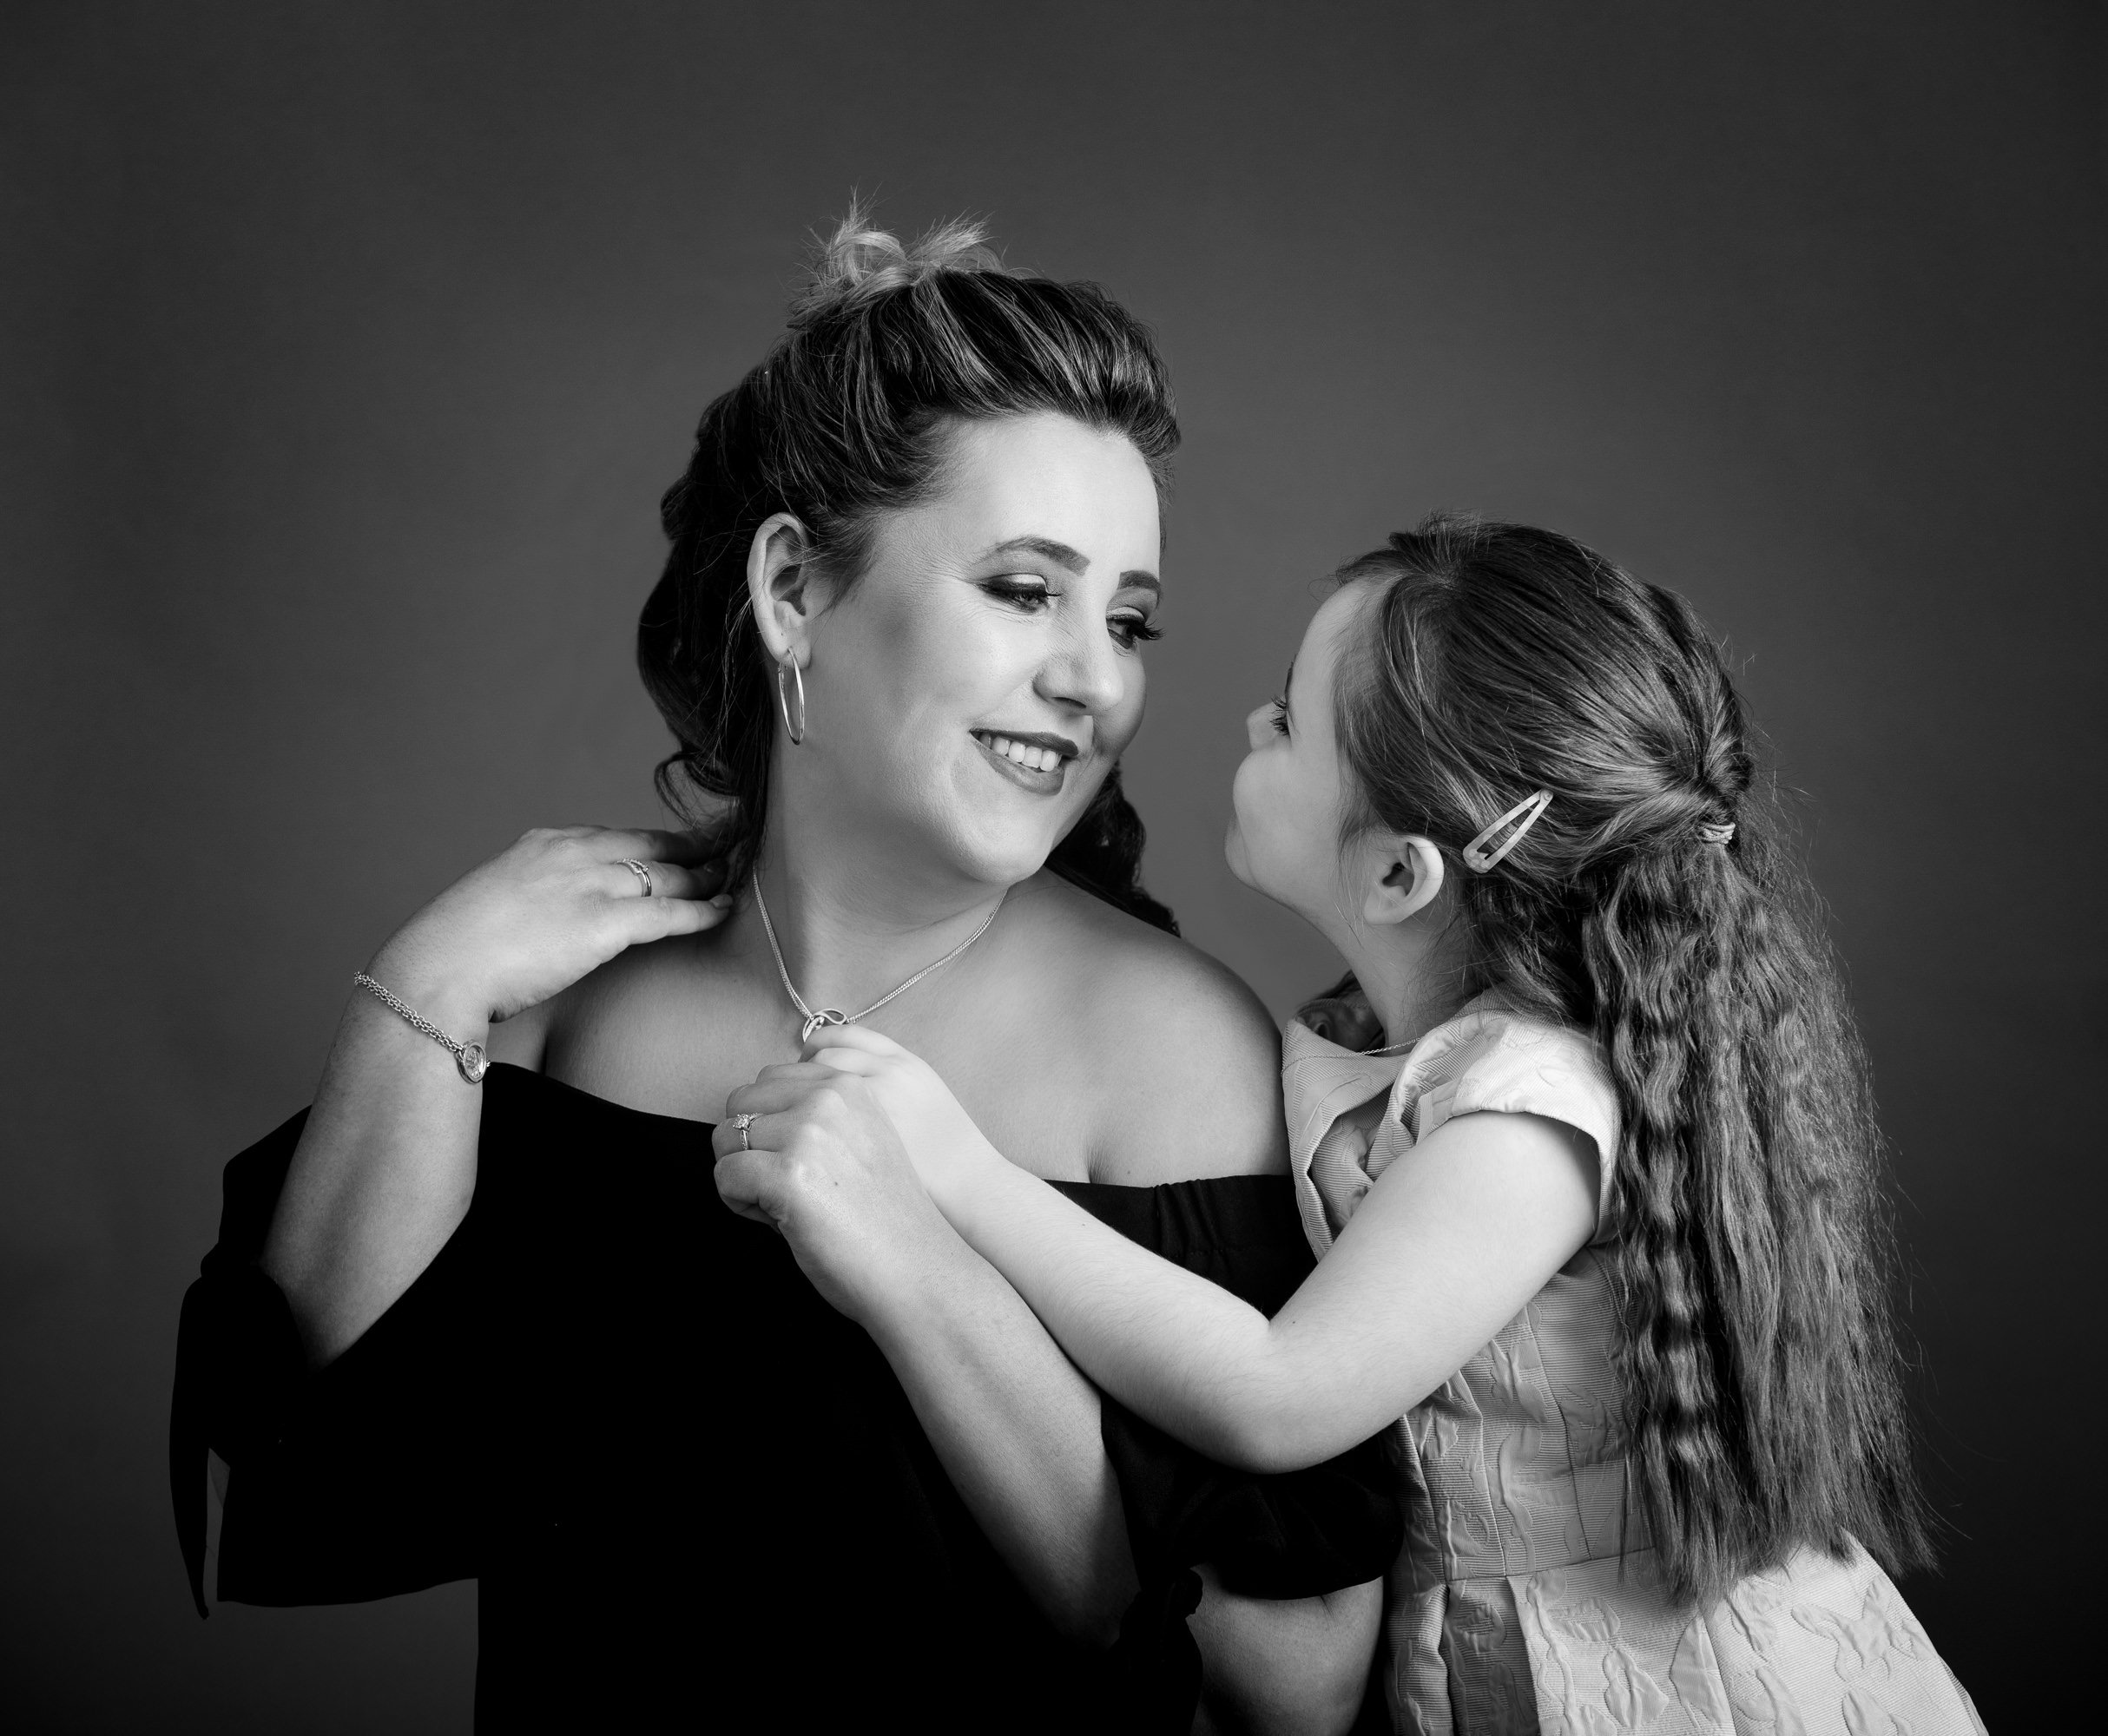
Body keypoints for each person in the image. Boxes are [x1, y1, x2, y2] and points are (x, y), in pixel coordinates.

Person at [171, 213, 1398, 1734]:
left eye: (1128, 619)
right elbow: (337, 1460)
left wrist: (923, 1267)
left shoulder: (1176, 1058)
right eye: (1025, 590)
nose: (1097, 678)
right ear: (793, 591)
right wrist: (426, 986)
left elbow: (1291, 1691)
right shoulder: (579, 1006)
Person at [723, 516, 1986, 1733]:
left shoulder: (1527, 1119)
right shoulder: (1393, 1060)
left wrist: (958, 1170)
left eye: (1285, 722)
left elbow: (1278, 1395)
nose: (1245, 721)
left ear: (1397, 873)